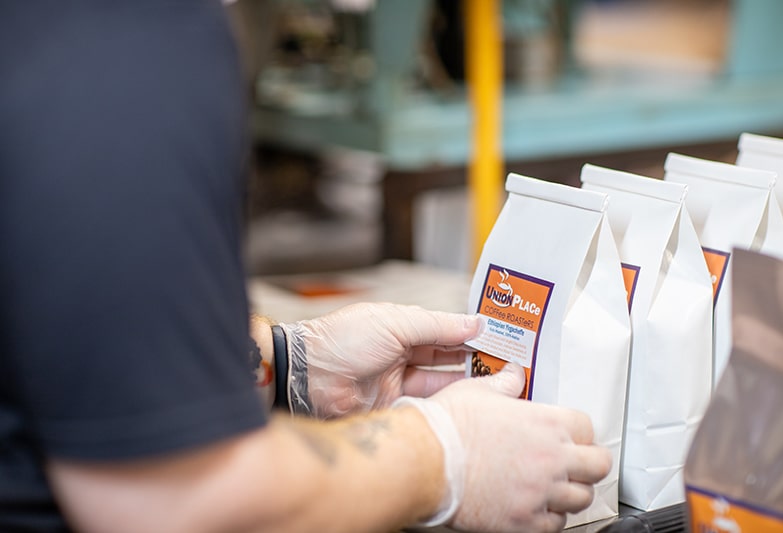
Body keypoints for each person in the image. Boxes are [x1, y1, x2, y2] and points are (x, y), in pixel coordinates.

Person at [0, 1, 611, 532]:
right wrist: (443, 459)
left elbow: (60, 317)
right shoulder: (131, 35)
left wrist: (293, 363)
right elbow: (173, 504)